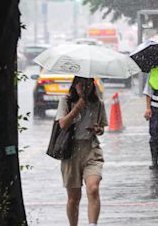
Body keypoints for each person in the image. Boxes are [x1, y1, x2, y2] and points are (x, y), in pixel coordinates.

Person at [56, 76, 108, 226]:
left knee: (93, 188)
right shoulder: (65, 101)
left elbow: (102, 129)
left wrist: (97, 129)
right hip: (70, 152)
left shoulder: (98, 103)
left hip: (91, 150)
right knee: (74, 198)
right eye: (82, 84)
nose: (86, 87)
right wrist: (78, 105)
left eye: (89, 84)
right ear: (75, 85)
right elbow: (63, 124)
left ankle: (93, 224)